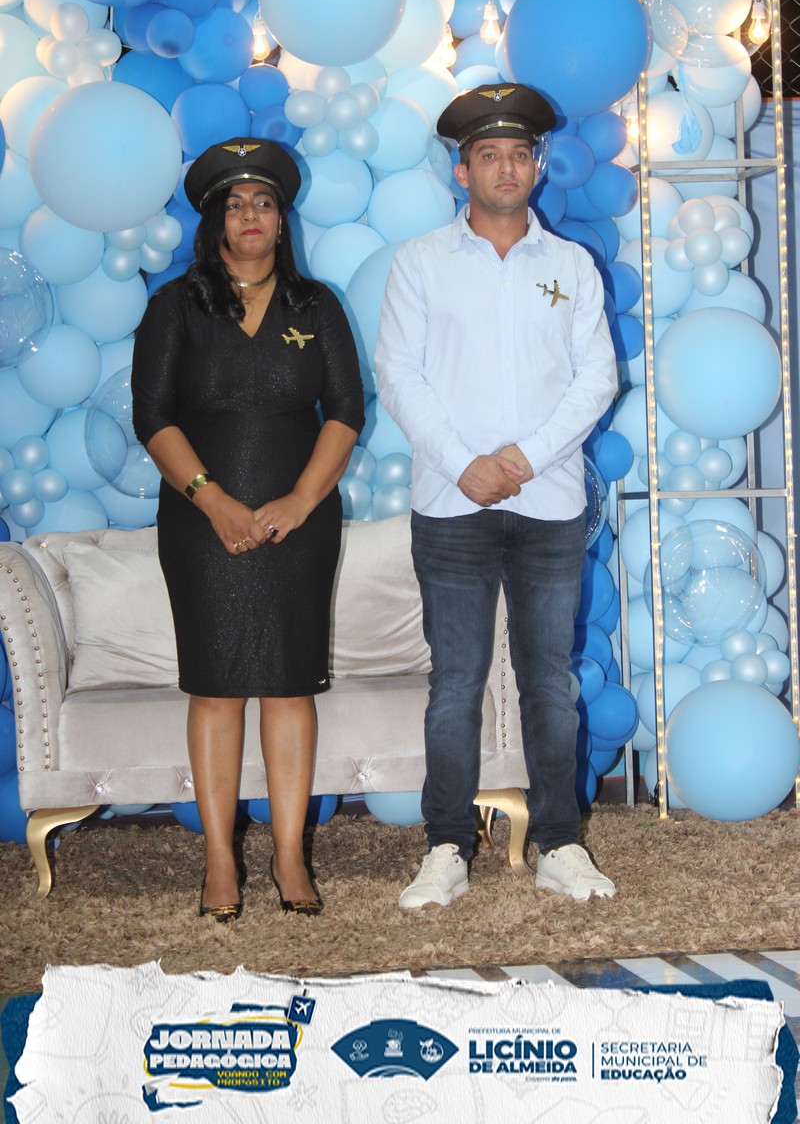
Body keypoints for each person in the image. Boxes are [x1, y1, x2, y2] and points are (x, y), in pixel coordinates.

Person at [375, 84, 619, 910]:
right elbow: (398, 375)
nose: (505, 168)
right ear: (462, 170)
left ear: (537, 166)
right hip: (452, 509)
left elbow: (597, 378)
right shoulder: (420, 263)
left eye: (519, 154)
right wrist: (463, 465)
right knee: (456, 682)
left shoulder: (570, 266)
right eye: (488, 155)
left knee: (550, 680)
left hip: (549, 506)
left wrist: (524, 457)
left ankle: (560, 844)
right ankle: (446, 846)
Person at [131, 138, 364, 920]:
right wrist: (214, 501)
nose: (251, 216)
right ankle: (220, 860)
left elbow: (346, 412)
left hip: (302, 524)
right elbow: (152, 416)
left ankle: (290, 855)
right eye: (234, 205)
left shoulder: (316, 305)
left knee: (290, 687)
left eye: (264, 202)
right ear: (215, 222)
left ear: (282, 218)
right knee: (217, 689)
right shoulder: (176, 306)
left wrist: (299, 502)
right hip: (202, 527)